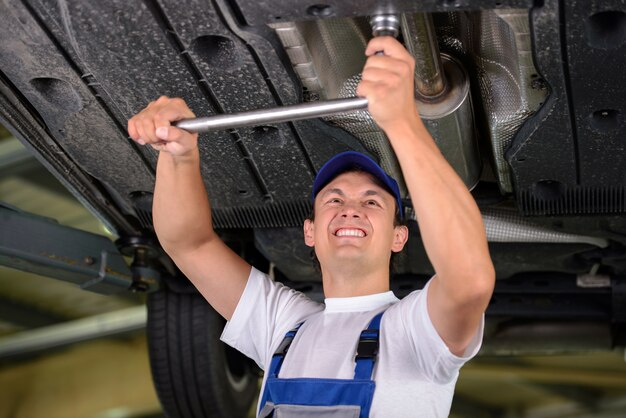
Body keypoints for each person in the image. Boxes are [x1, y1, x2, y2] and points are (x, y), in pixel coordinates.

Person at [128, 36, 495, 417]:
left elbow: (469, 281)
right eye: (334, 200)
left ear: (398, 236)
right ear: (310, 231)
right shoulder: (284, 325)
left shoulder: (413, 331)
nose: (350, 209)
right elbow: (188, 244)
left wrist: (402, 122)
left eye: (371, 202)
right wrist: (178, 155)